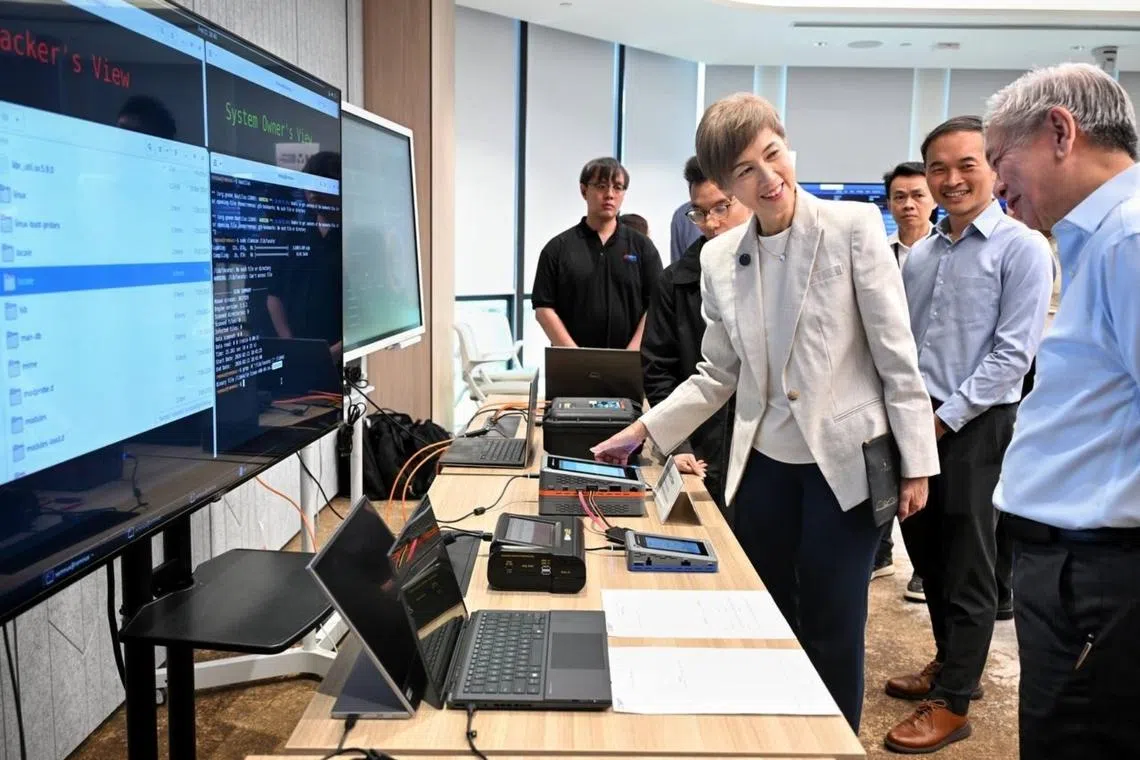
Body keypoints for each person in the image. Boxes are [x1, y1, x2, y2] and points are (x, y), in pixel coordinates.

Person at [590, 93, 939, 731]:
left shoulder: (853, 229)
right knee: (765, 612)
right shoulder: (721, 259)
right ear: (727, 187)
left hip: (845, 467)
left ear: (787, 145)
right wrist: (642, 432)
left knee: (834, 625)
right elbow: (718, 373)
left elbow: (897, 356)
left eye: (772, 154)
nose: (768, 176)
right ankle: (774, 735)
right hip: (765, 467)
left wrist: (917, 464)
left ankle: (834, 742)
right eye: (746, 171)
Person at [883, 116, 1053, 754]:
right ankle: (953, 662)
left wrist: (940, 418)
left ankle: (955, 701)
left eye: (966, 166)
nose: (951, 180)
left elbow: (1013, 356)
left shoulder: (1021, 247)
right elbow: (899, 345)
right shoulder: (919, 254)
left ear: (993, 168)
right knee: (924, 551)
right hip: (916, 420)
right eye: (938, 169)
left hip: (976, 424)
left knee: (970, 562)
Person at [985, 62, 1140, 759]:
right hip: (1076, 570)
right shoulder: (1099, 240)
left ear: (1058, 131)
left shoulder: (1129, 240)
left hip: (1100, 576)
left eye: (999, 160)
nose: (996, 184)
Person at [641, 156, 751, 512]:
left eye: (722, 207)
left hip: (768, 451)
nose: (712, 224)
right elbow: (658, 369)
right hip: (702, 444)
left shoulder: (779, 274)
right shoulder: (675, 281)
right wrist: (679, 443)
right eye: (699, 212)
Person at [873, 161, 938, 600]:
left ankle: (924, 570)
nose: (909, 204)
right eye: (900, 197)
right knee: (880, 469)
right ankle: (880, 551)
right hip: (882, 378)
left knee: (926, 481)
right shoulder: (879, 252)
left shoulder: (946, 251)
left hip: (934, 384)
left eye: (917, 195)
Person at [532, 158, 663, 350]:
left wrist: (631, 353)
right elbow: (543, 308)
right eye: (601, 186)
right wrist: (575, 355)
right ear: (584, 190)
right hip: (571, 364)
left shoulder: (643, 248)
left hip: (630, 362)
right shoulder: (558, 248)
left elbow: (655, 305)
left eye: (617, 188)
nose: (610, 195)